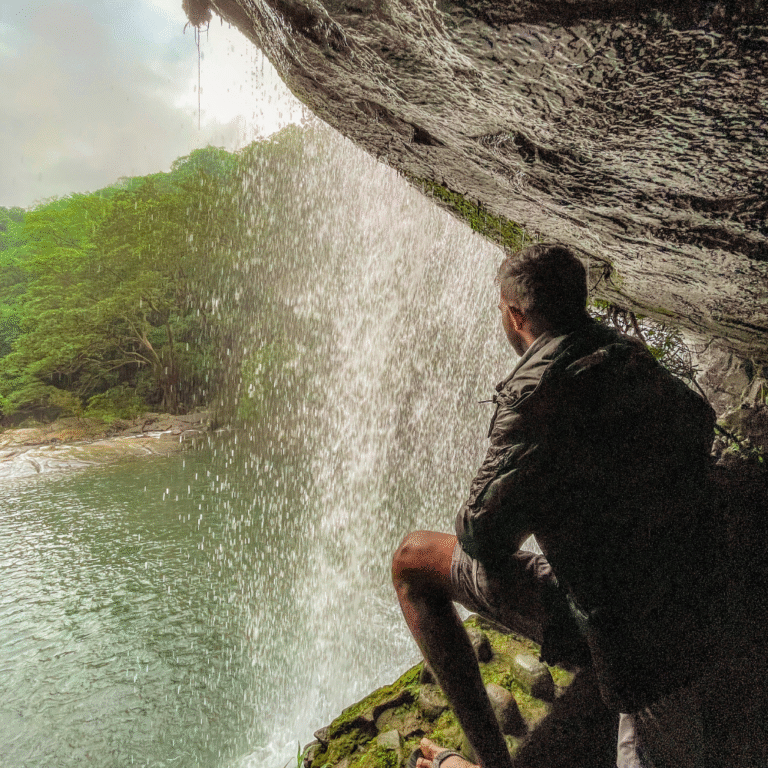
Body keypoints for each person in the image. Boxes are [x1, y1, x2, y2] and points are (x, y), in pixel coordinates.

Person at [392, 244, 718, 768]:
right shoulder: (629, 356)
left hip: (632, 633)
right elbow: (698, 423)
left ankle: (485, 762)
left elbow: (482, 538)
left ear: (515, 314)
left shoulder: (533, 399)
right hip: (688, 580)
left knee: (412, 559)